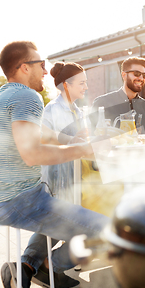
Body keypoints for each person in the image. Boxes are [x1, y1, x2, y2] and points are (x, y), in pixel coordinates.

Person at [0, 41, 109, 288]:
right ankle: (51, 266)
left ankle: (24, 269)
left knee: (60, 203)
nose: (46, 71)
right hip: (19, 201)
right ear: (24, 68)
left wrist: (72, 140)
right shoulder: (28, 96)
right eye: (41, 65)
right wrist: (84, 150)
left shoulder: (4, 96)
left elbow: (44, 133)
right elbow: (31, 154)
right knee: (107, 231)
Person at [41, 62, 88, 203]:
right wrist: (71, 140)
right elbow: (44, 140)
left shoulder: (78, 111)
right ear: (66, 85)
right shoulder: (51, 110)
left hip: (75, 179)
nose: (86, 87)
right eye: (82, 83)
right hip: (56, 185)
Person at [90, 57, 145, 134]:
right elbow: (92, 136)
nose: (141, 78)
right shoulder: (102, 103)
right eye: (136, 74)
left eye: (144, 75)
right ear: (124, 75)